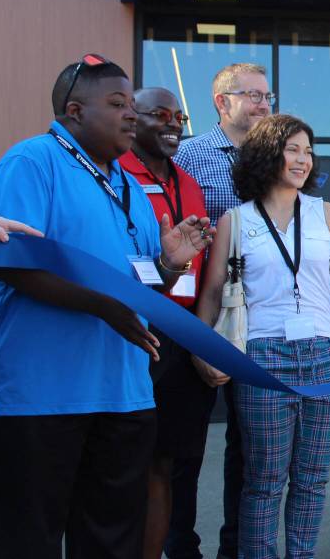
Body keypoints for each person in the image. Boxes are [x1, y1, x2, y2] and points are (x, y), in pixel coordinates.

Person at [0, 55, 212, 559]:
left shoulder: (129, 186)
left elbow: (135, 286)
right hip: (43, 397)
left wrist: (169, 265)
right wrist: (105, 307)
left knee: (112, 540)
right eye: (117, 105)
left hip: (123, 395)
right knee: (30, 539)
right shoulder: (32, 162)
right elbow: (12, 264)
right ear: (74, 111)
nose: (131, 115)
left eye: (131, 105)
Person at [196, 114, 330, 558]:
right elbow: (212, 294)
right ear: (268, 153)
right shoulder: (235, 219)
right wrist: (205, 350)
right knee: (265, 479)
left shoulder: (329, 215)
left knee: (313, 478)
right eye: (292, 149)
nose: (302, 159)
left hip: (324, 354)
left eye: (307, 150)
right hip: (262, 356)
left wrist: (311, 316)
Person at [173, 62, 273, 559]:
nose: (263, 104)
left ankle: (236, 548)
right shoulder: (187, 157)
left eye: (267, 95)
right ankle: (181, 548)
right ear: (221, 102)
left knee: (249, 447)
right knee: (186, 446)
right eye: (252, 94)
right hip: (200, 316)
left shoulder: (276, 161)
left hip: (263, 320)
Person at [119, 87, 212, 559]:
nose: (174, 123)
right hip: (130, 333)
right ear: (131, 119)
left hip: (182, 332)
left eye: (179, 114)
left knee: (176, 461)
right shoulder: (117, 176)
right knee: (128, 463)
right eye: (160, 114)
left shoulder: (188, 181)